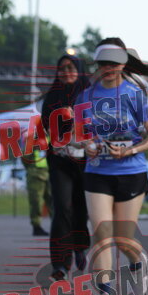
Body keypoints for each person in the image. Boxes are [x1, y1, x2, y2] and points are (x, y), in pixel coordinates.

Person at [76, 38, 148, 295]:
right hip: (97, 172)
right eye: (103, 64)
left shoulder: (135, 95)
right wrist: (86, 145)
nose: (108, 69)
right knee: (102, 234)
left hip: (131, 172)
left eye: (113, 64)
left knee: (123, 239)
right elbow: (78, 136)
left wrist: (131, 150)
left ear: (123, 65)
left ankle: (138, 263)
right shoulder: (85, 97)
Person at [41, 53, 91, 281]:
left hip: (87, 161)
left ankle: (80, 246)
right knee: (62, 208)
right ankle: (60, 264)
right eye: (62, 68)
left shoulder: (91, 94)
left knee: (81, 208)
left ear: (79, 70)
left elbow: (100, 124)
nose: (66, 72)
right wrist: (59, 119)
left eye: (71, 68)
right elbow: (44, 129)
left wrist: (78, 118)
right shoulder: (52, 96)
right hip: (60, 160)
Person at [22, 137, 51, 236]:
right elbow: (25, 158)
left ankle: (57, 226)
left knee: (54, 202)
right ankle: (36, 226)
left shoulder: (52, 139)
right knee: (36, 202)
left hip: (51, 173)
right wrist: (32, 169)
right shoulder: (31, 141)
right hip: (35, 175)